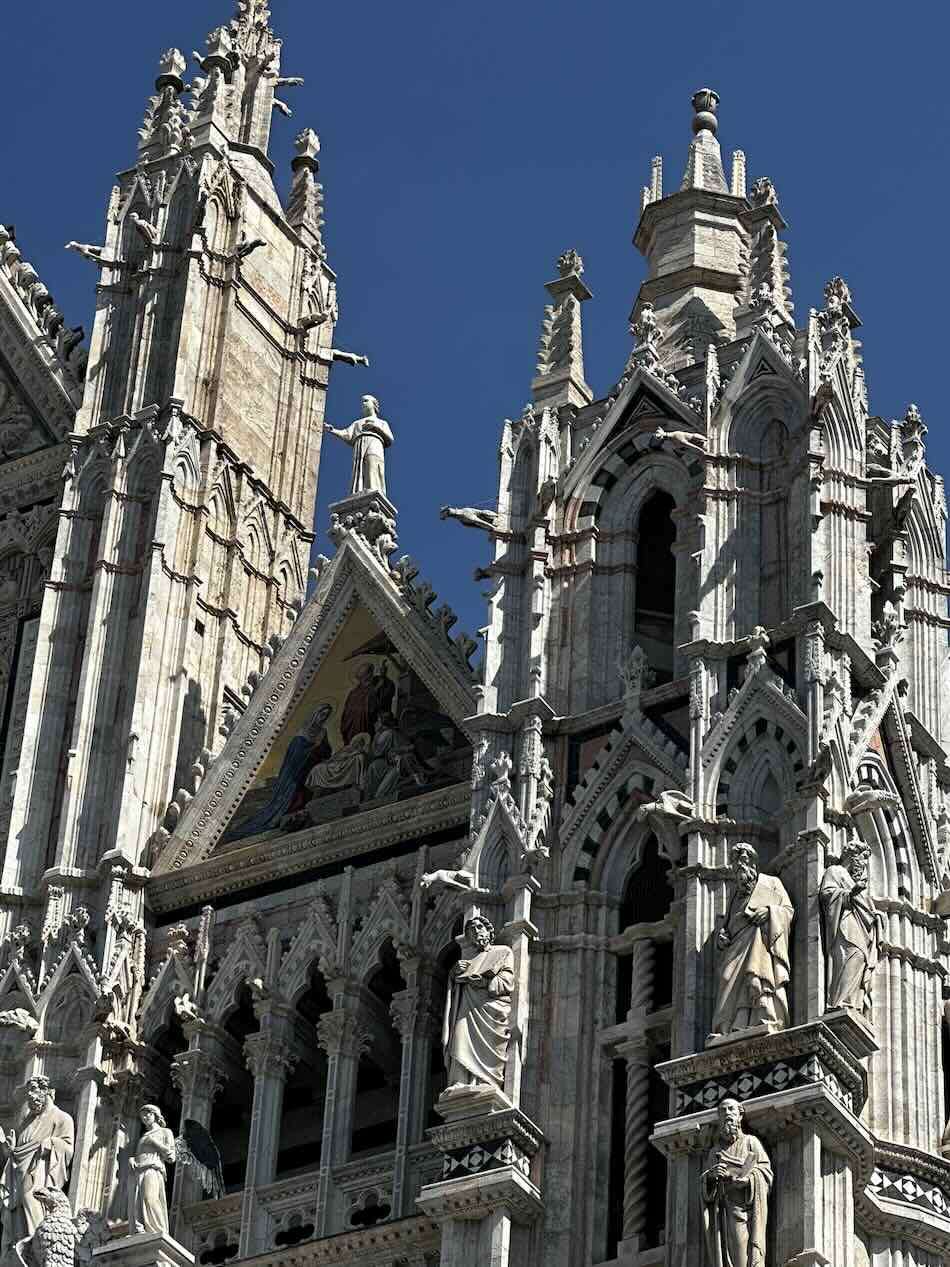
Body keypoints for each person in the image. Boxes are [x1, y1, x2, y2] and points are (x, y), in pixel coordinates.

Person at [710, 842, 793, 1041]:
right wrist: (721, 937)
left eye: (744, 861)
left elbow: (788, 911)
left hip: (760, 942)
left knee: (757, 979)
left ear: (754, 864)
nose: (740, 866)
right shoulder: (734, 897)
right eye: (736, 864)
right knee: (727, 977)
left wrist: (770, 912)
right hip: (736, 947)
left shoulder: (771, 883)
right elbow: (728, 926)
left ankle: (764, 1017)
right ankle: (732, 1026)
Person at [223, 704, 333, 842]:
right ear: (316, 714)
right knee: (292, 795)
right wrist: (310, 751)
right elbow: (294, 752)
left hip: (310, 768)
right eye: (322, 714)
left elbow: (327, 750)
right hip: (295, 772)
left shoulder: (323, 732)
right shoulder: (303, 731)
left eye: (327, 715)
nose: (324, 717)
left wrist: (320, 750)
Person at [0, 1076, 74, 1244]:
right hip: (18, 1173)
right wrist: (11, 1150)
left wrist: (49, 1144)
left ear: (47, 1092)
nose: (30, 1097)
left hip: (40, 1169)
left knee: (31, 1198)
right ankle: (19, 1245)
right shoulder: (26, 1123)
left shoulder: (62, 1118)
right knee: (14, 1212)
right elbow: (18, 1153)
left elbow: (67, 1148)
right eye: (29, 1093)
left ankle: (36, 1244)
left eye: (34, 1091)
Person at [443, 917, 514, 1091]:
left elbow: (508, 980)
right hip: (467, 1009)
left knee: (487, 1046)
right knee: (459, 1039)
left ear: (489, 931)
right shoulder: (466, 962)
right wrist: (453, 975)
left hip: (490, 1009)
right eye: (471, 930)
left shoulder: (503, 952)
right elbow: (455, 985)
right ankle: (460, 1082)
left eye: (480, 927)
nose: (476, 931)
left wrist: (485, 983)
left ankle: (485, 1082)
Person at [701, 1099, 772, 1267]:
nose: (727, 1114)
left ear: (740, 1115)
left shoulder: (751, 1142)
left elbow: (765, 1172)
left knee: (743, 1256)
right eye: (722, 1111)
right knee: (726, 1255)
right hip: (723, 1212)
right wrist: (711, 1176)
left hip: (745, 1212)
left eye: (731, 1110)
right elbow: (705, 1182)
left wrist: (748, 1180)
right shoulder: (715, 1151)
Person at [819, 836, 884, 1016]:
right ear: (851, 857)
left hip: (860, 930)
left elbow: (865, 909)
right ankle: (839, 1001)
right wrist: (851, 893)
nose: (863, 867)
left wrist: (876, 916)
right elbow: (827, 894)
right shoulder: (835, 871)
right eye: (861, 861)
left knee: (859, 959)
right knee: (850, 957)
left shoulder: (852, 880)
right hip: (845, 925)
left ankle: (852, 1005)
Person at [324, 395, 394, 496]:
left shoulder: (382, 422)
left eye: (366, 401)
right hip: (359, 445)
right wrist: (332, 430)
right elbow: (347, 434)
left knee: (372, 464)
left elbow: (390, 439)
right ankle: (360, 491)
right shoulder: (357, 423)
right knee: (360, 467)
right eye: (362, 402)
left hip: (375, 443)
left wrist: (375, 427)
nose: (363, 404)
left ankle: (373, 490)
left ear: (374, 404)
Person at [128, 1105, 176, 1235]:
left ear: (156, 1115)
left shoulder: (165, 1132)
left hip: (153, 1169)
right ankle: (140, 1230)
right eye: (142, 1116)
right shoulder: (143, 1137)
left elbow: (171, 1157)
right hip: (139, 1170)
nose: (145, 1117)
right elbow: (141, 1154)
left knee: (150, 1198)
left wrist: (155, 1142)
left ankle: (158, 1230)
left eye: (148, 1114)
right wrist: (133, 1159)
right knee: (137, 1204)